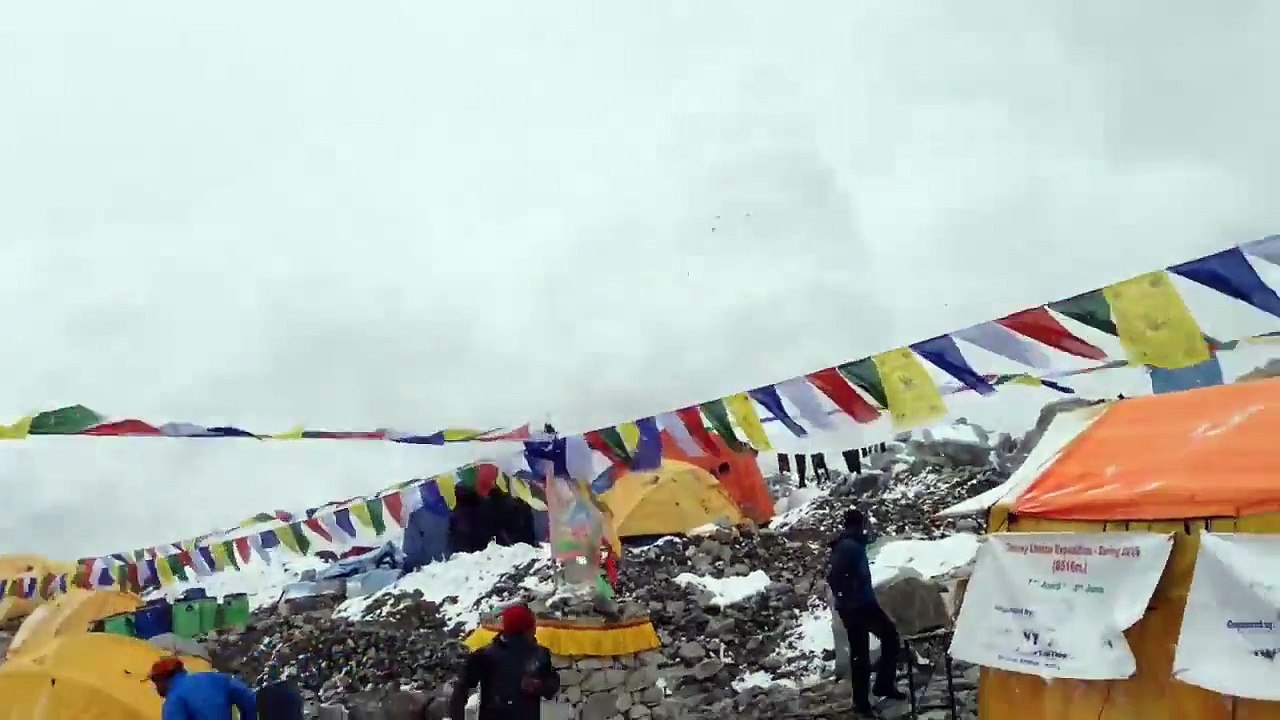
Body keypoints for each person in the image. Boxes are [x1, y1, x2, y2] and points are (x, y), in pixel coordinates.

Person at [827, 508, 906, 715]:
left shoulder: (850, 544)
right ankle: (877, 690)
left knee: (861, 652)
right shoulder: (848, 547)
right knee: (888, 638)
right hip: (859, 606)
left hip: (855, 605)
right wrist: (851, 600)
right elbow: (835, 578)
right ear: (858, 525)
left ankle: (866, 698)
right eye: (863, 525)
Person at [449, 603, 560, 720]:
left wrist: (540, 685)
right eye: (533, 626)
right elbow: (461, 690)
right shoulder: (486, 656)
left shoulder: (539, 653)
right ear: (527, 629)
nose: (535, 630)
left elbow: (552, 685)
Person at [147, 657, 257, 720]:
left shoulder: (173, 701)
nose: (156, 689)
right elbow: (248, 697)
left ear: (162, 680)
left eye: (155, 683)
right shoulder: (215, 678)